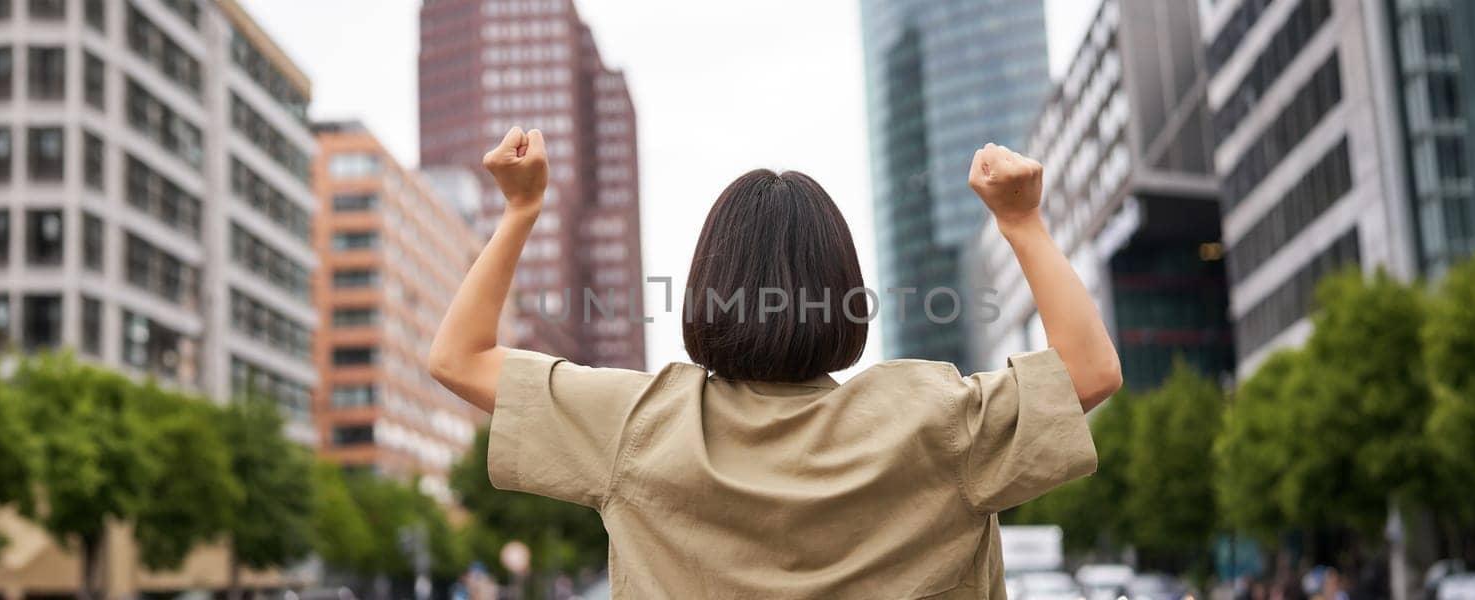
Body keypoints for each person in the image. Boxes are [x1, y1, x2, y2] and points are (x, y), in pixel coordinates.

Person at [429, 127, 1123, 598]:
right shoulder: (936, 420)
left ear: (707, 287)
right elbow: (1089, 372)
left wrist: (521, 209)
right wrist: (1022, 222)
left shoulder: (634, 425)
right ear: (846, 295)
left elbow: (458, 358)